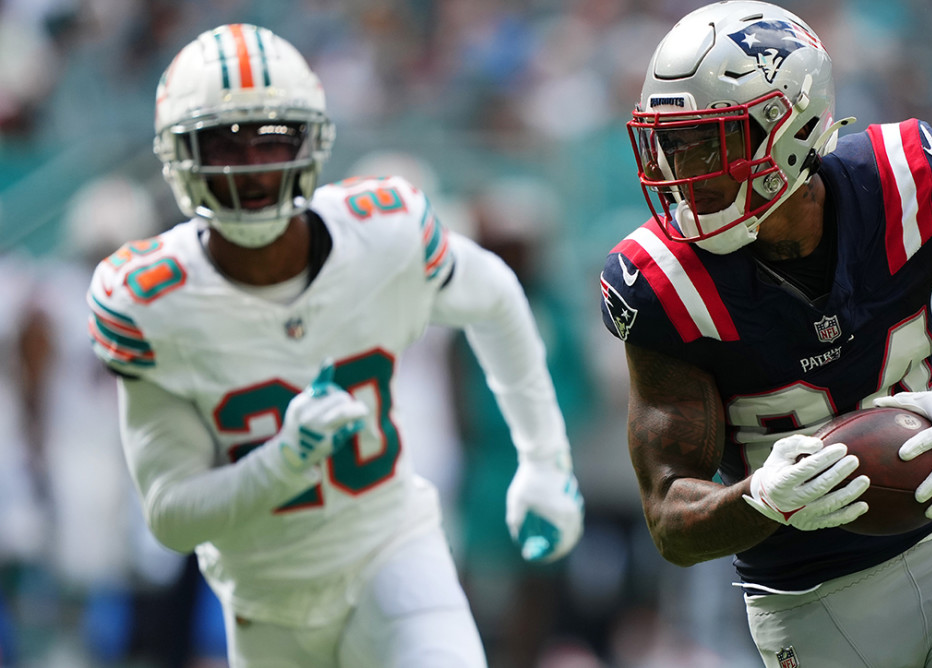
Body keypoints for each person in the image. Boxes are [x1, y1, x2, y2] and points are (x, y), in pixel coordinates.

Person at [599, 3, 932, 667]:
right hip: (805, 596)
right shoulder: (663, 283)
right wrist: (761, 498)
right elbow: (669, 519)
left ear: (785, 128)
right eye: (671, 144)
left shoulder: (902, 180)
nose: (682, 173)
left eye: (706, 142)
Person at [86, 24, 583, 667]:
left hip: (393, 555)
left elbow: (495, 296)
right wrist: (286, 460)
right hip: (263, 605)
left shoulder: (382, 234)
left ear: (311, 138)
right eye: (223, 144)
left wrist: (545, 461)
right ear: (180, 154)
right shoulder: (154, 300)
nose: (252, 168)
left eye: (271, 139)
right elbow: (172, 514)